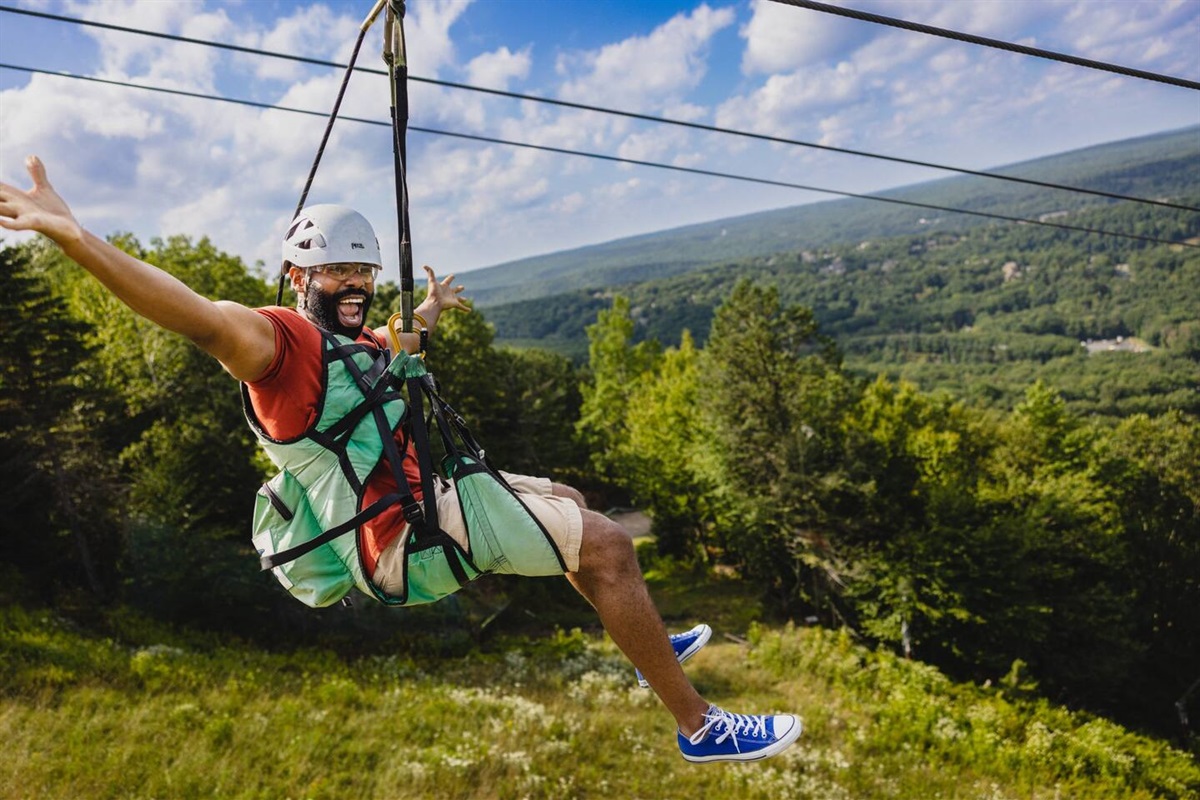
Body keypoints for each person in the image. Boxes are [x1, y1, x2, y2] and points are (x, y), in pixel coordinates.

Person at [0, 155, 802, 763]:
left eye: (361, 270)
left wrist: (428, 310)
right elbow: (192, 313)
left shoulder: (350, 339)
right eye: (335, 271)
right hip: (396, 540)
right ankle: (698, 724)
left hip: (419, 502)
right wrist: (76, 239)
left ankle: (642, 649)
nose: (352, 283)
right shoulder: (276, 343)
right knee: (609, 546)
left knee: (568, 495)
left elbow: (392, 347)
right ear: (297, 276)